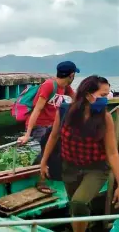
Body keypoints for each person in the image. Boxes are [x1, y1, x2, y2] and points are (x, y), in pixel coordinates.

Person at [40, 75, 119, 232]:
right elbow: (54, 136)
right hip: (70, 167)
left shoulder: (105, 118)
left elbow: (112, 153)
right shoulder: (64, 112)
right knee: (75, 208)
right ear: (88, 95)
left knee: (79, 202)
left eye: (108, 94)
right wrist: (44, 161)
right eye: (103, 95)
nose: (106, 99)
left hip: (96, 169)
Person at [17, 61, 78, 193]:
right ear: (71, 75)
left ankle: (48, 172)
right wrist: (27, 134)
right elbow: (37, 109)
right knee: (48, 149)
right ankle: (40, 181)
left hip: (52, 124)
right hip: (38, 124)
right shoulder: (49, 85)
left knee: (61, 145)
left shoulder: (66, 88)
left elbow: (77, 100)